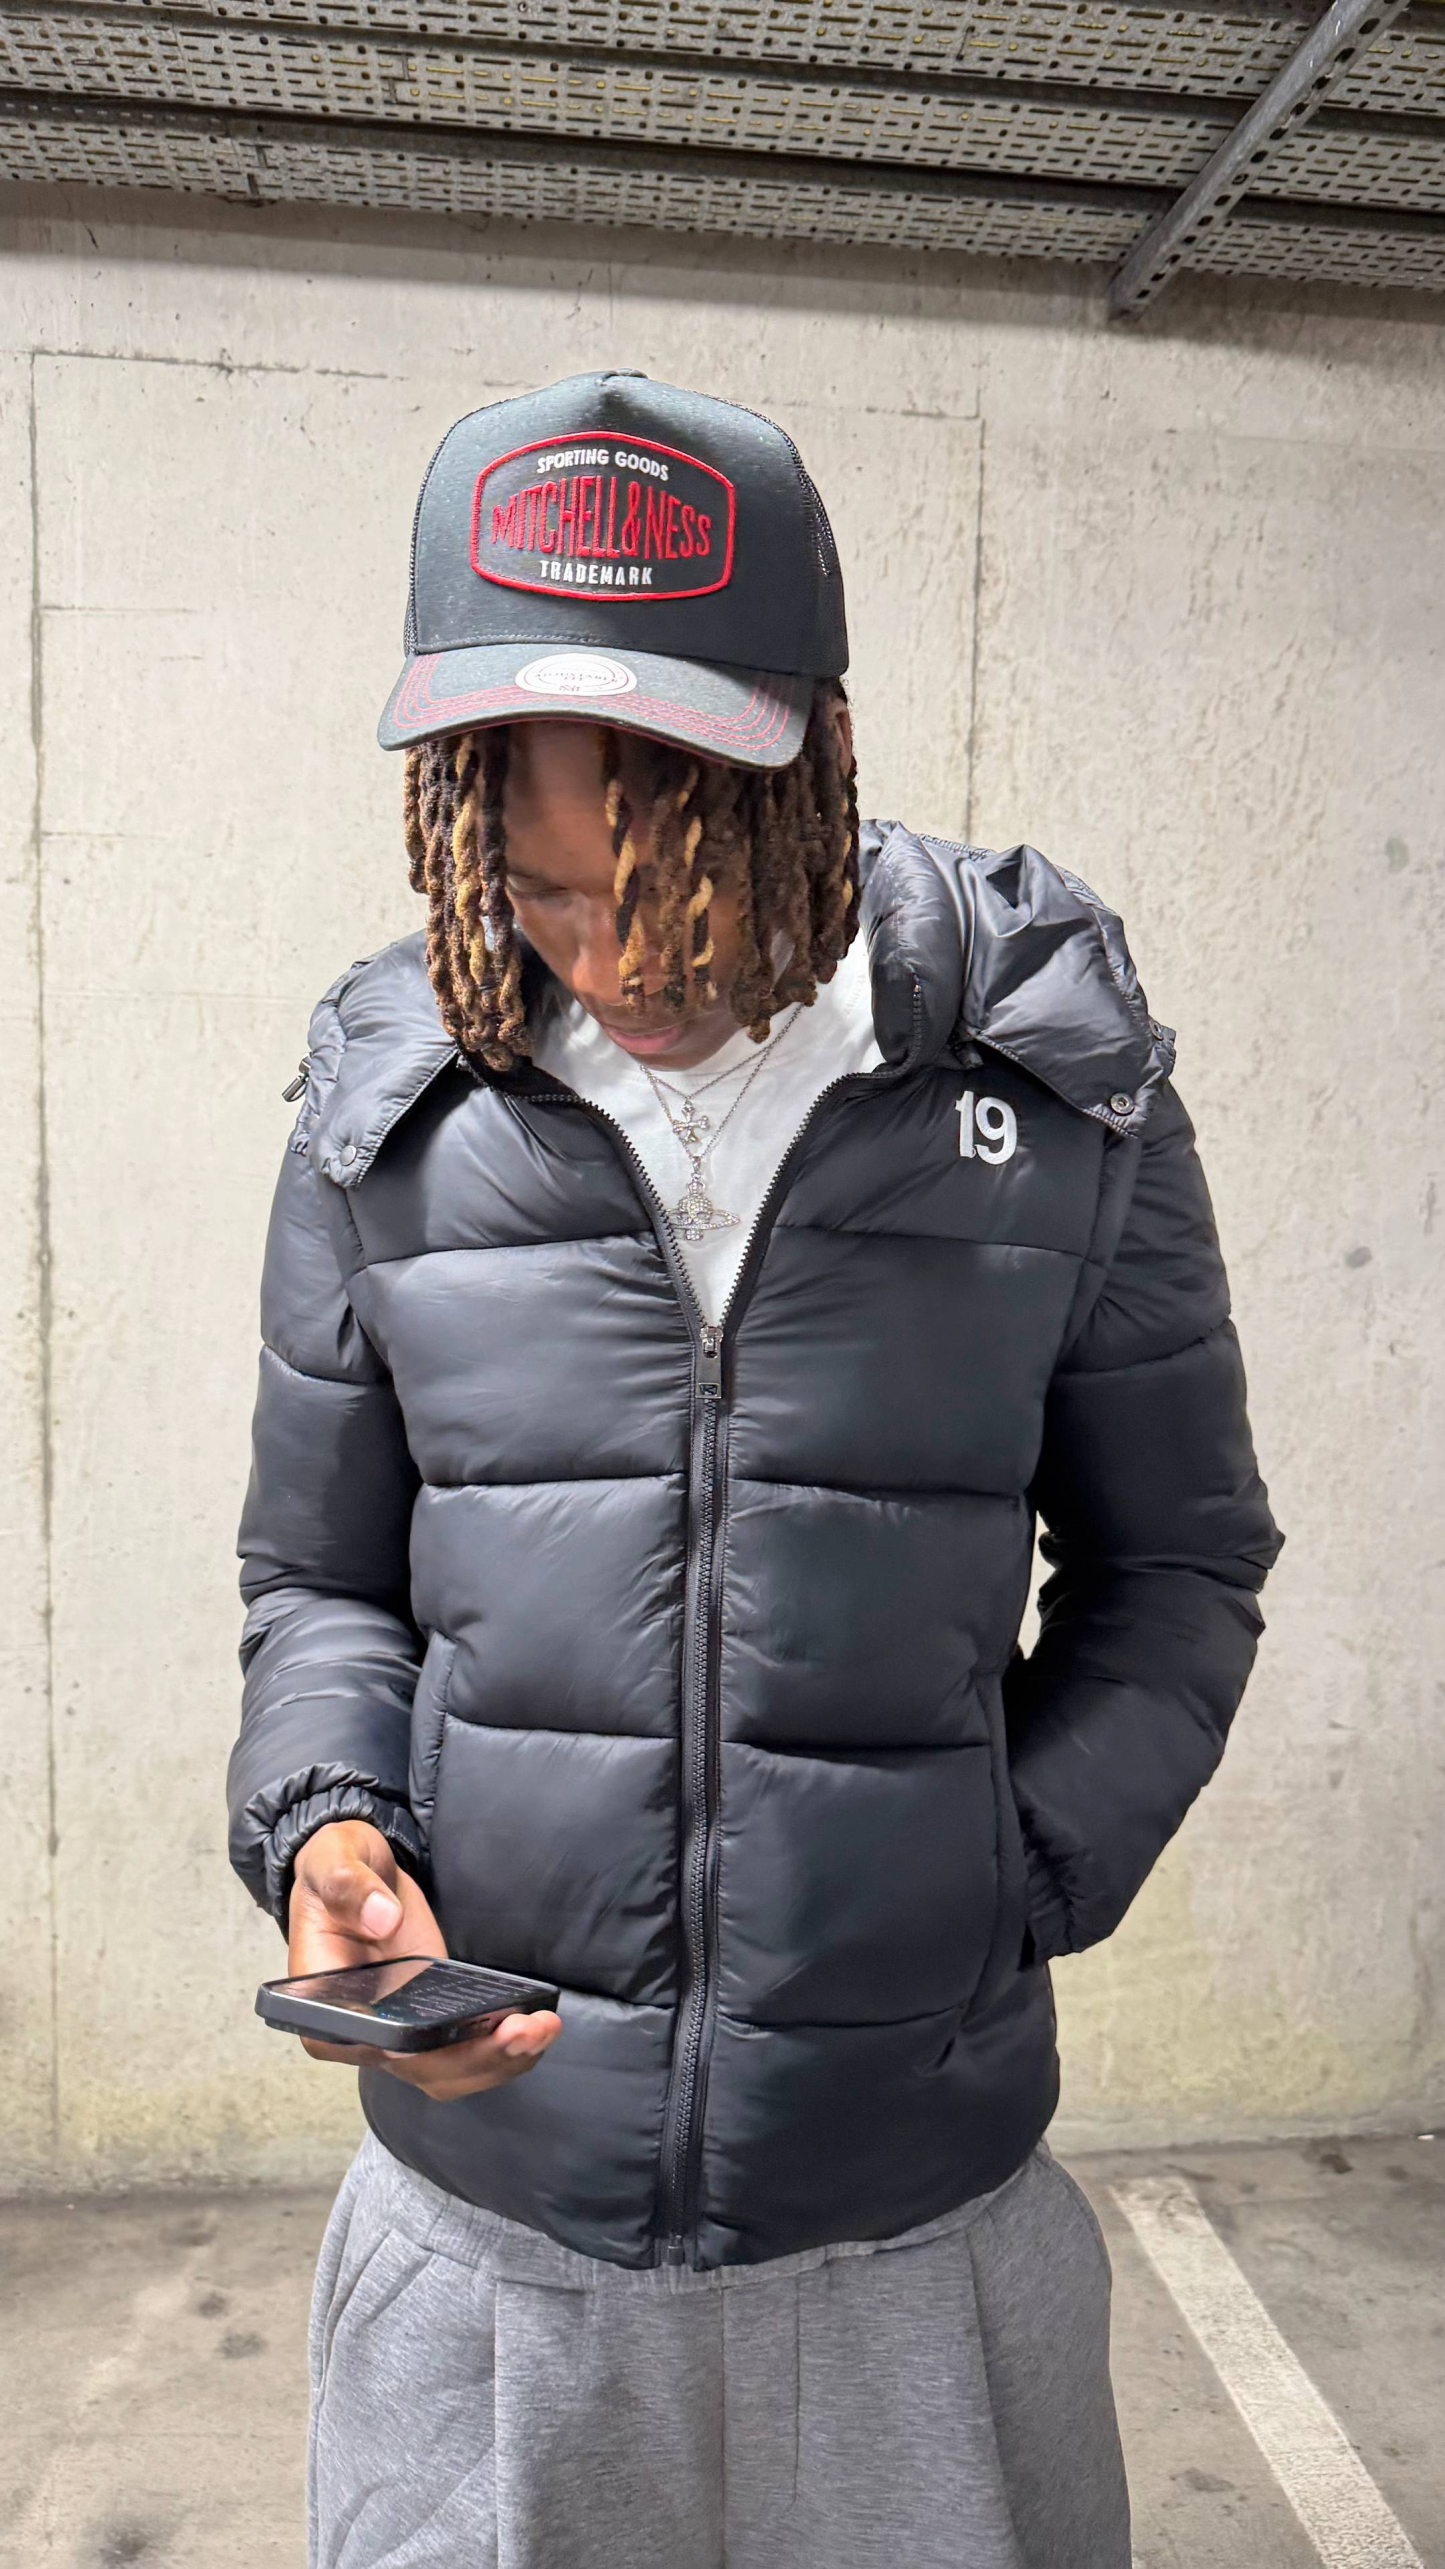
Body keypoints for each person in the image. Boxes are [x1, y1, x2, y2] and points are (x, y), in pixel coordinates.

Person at [227, 371, 1281, 2569]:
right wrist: (331, 1823)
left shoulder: (1046, 1089)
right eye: (538, 891)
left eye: (667, 883)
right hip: (489, 2244)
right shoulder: (389, 1110)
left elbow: (1179, 1564)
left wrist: (1005, 1877)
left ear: (812, 769)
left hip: (913, 2241)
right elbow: (320, 1582)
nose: (606, 959)